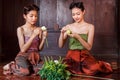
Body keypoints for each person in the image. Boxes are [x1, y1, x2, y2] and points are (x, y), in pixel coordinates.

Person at [58, 2, 113, 75]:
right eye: (73, 14)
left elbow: (89, 47)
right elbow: (60, 45)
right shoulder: (69, 27)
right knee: (62, 70)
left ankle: (103, 64)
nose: (75, 17)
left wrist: (78, 37)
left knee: (93, 69)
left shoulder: (90, 27)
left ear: (83, 12)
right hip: (71, 55)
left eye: (78, 14)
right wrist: (61, 34)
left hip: (84, 55)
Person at [3, 4, 47, 76]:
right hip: (23, 56)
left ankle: (30, 67)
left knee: (43, 71)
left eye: (36, 16)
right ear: (25, 16)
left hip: (35, 56)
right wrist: (33, 35)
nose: (34, 18)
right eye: (31, 16)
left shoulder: (38, 29)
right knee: (25, 72)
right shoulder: (20, 29)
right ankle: (11, 65)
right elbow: (23, 49)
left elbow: (39, 48)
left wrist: (44, 37)